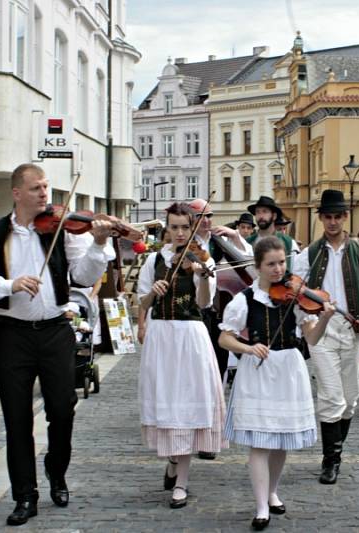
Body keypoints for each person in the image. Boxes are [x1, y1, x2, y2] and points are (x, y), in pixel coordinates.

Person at [0, 163, 114, 526]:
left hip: (55, 330)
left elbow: (83, 276)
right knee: (17, 420)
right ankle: (24, 495)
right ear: (17, 193)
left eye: (46, 187)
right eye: (36, 188)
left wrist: (99, 243)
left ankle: (56, 471)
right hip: (12, 334)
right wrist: (8, 285)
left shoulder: (63, 229)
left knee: (63, 408)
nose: (44, 194)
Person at [218, 237, 334, 530]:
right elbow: (224, 337)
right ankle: (260, 507)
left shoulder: (295, 297)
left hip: (288, 370)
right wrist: (247, 348)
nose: (278, 268)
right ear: (257, 266)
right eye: (271, 264)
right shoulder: (245, 298)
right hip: (258, 372)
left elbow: (312, 338)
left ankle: (272, 492)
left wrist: (325, 319)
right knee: (259, 443)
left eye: (282, 262)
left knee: (281, 441)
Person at [292, 189, 359, 484]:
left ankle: (337, 449)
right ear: (321, 218)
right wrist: (307, 322)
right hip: (322, 330)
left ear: (345, 217)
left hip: (353, 329)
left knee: (350, 399)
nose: (332, 222)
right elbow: (297, 293)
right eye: (327, 217)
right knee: (331, 397)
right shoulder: (308, 254)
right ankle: (330, 460)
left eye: (337, 216)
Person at [136, 202, 227, 509]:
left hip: (190, 335)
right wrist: (153, 293)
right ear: (167, 228)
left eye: (184, 227)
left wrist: (203, 276)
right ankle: (173, 461)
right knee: (168, 405)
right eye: (173, 227)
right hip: (161, 336)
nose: (179, 233)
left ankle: (182, 482)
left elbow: (203, 303)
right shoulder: (153, 261)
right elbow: (142, 304)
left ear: (192, 228)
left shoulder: (203, 259)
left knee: (188, 408)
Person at [189, 197, 253, 389]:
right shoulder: (190, 244)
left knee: (220, 357)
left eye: (209, 216)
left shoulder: (220, 240)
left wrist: (234, 235)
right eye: (200, 216)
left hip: (221, 306)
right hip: (196, 307)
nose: (206, 220)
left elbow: (246, 258)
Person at [246, 196, 299, 270]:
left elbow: (296, 272)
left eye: (265, 211)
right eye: (257, 212)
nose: (261, 216)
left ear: (274, 216)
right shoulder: (248, 242)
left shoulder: (288, 242)